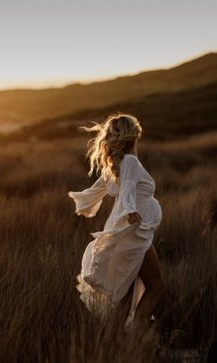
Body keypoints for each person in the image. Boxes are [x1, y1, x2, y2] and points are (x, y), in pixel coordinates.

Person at [68, 112, 165, 333]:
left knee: (125, 296)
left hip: (123, 231)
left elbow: (96, 191)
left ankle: (116, 344)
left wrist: (82, 202)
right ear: (135, 135)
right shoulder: (129, 161)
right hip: (133, 232)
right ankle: (134, 339)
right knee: (156, 286)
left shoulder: (114, 166)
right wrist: (130, 209)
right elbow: (129, 188)